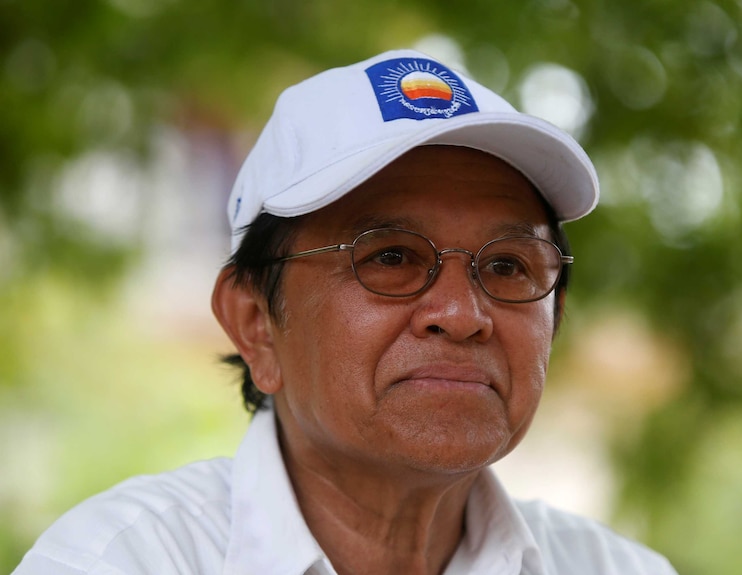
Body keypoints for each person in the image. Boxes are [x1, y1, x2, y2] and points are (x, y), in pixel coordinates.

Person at [14, 49, 678, 575]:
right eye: (390, 257)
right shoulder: (123, 560)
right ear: (255, 323)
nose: (460, 311)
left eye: (507, 266)